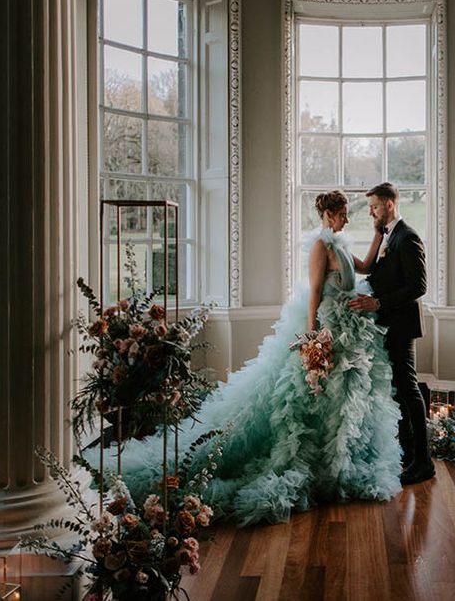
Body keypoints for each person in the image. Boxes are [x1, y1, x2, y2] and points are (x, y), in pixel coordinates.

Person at [114, 190, 402, 526]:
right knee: (304, 400)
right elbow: (315, 294)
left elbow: (364, 268)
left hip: (348, 332)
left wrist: (380, 236)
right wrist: (312, 336)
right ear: (329, 214)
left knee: (339, 401)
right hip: (326, 329)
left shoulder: (339, 242)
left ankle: (336, 464)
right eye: (342, 213)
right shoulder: (320, 247)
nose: (347, 218)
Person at [348, 182, 434, 485]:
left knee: (409, 389)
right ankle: (410, 457)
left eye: (374, 206)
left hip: (402, 324)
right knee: (400, 389)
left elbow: (418, 286)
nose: (371, 212)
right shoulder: (389, 236)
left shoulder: (407, 237)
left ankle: (424, 463)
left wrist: (378, 302)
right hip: (389, 323)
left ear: (389, 205)